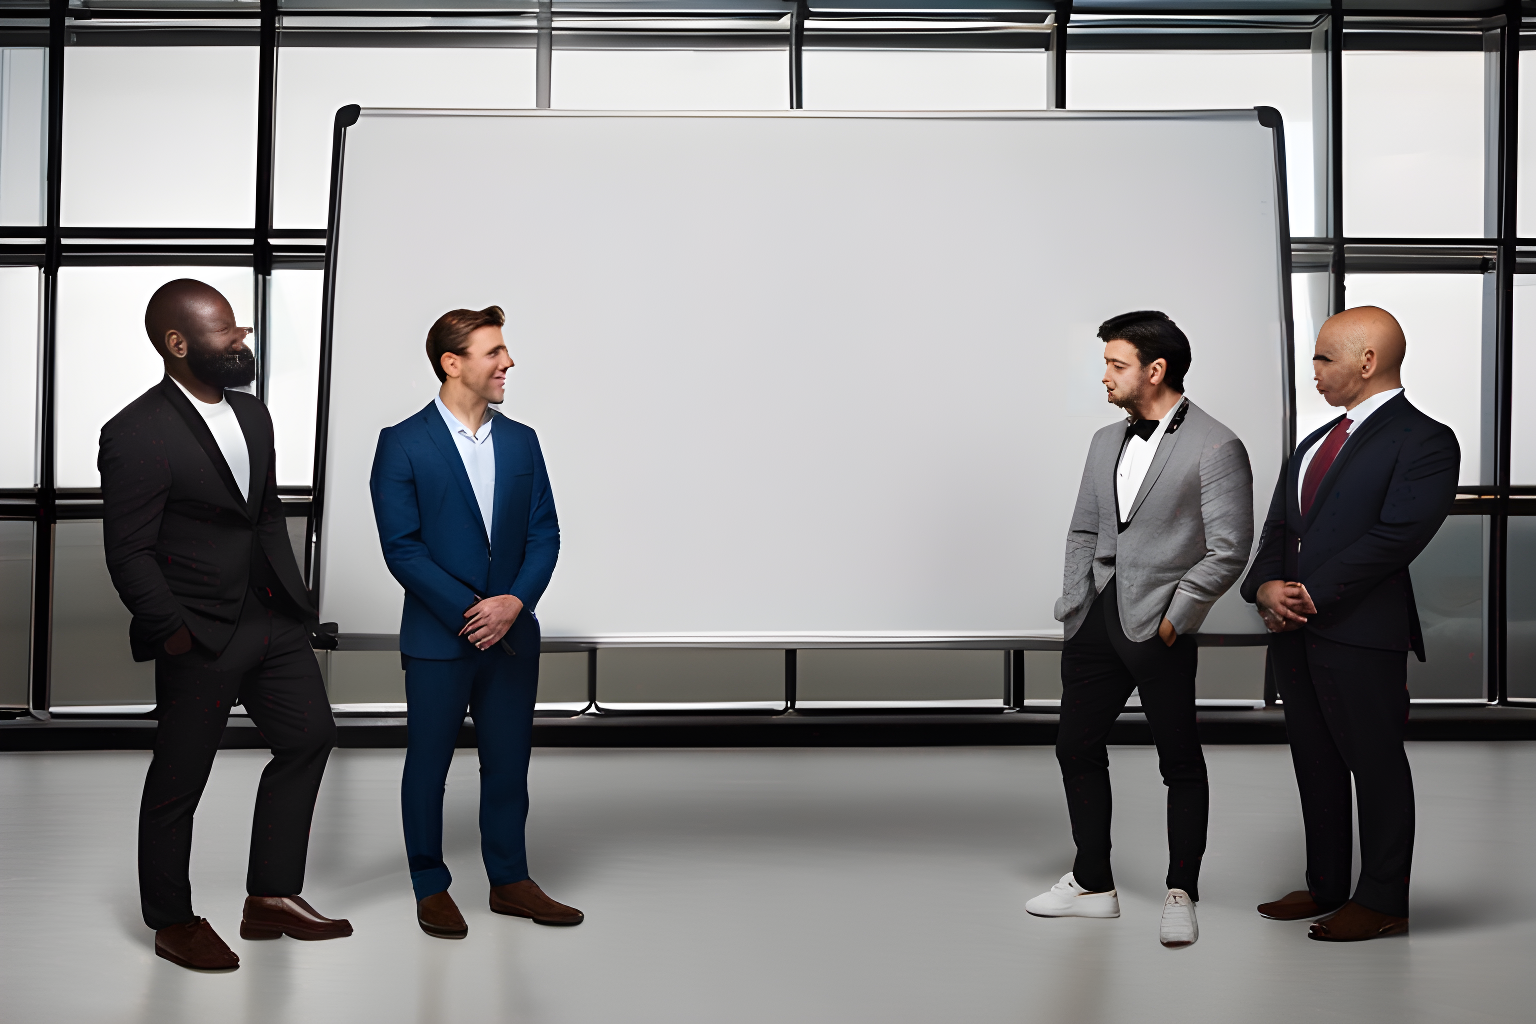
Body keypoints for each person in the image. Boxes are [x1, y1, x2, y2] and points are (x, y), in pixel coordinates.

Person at [99, 280, 349, 972]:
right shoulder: (134, 432)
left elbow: (263, 513)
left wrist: (292, 602)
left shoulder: (252, 413)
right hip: (199, 634)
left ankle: (270, 897)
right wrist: (172, 630)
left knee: (311, 738)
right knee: (181, 779)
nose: (243, 341)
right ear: (178, 345)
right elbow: (128, 550)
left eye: (241, 329)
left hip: (270, 620)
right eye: (226, 333)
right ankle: (172, 920)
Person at [1028, 310, 1253, 949]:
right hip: (1096, 620)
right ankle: (1093, 883)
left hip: (1159, 628)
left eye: (1115, 364)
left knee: (1178, 761)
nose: (1105, 377)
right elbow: (1083, 529)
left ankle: (1181, 891)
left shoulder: (1217, 445)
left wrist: (1177, 619)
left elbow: (1229, 549)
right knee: (1075, 746)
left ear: (1154, 371)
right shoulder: (1105, 440)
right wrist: (1077, 602)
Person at [1241, 306, 1458, 942]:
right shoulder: (1314, 441)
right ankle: (1328, 884)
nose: (1313, 369)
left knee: (1375, 763)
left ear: (1366, 362)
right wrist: (1263, 587)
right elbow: (1280, 527)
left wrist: (1309, 591)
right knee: (1315, 759)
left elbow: (1397, 536)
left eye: (1323, 357)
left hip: (1361, 633)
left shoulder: (1425, 440)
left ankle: (1385, 898)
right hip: (1295, 632)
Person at [370, 304, 577, 939]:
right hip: (439, 638)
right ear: (451, 363)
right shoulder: (401, 443)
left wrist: (514, 604)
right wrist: (472, 613)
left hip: (513, 637)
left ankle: (510, 880)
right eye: (494, 352)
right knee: (427, 766)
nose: (508, 362)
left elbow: (545, 534)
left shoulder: (522, 440)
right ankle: (430, 885)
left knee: (509, 763)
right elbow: (403, 549)